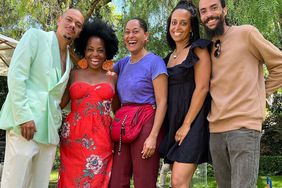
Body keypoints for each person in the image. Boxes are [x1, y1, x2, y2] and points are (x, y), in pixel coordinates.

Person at [198, 0, 282, 187]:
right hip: (216, 131)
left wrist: (260, 92)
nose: (209, 14)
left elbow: (279, 65)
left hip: (244, 128)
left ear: (224, 10)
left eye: (214, 8)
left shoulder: (247, 33)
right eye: (203, 11)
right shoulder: (205, 48)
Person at [0, 9, 84, 188]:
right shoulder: (35, 36)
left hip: (50, 130)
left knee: (39, 184)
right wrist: (24, 116)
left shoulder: (69, 61)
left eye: (78, 25)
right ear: (59, 20)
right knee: (14, 182)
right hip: (25, 125)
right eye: (69, 20)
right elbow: (16, 76)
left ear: (79, 32)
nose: (72, 26)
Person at [57, 18, 118, 188]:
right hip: (72, 139)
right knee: (70, 181)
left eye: (100, 50)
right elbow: (60, 103)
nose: (95, 54)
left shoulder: (112, 77)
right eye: (90, 49)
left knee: (97, 181)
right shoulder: (74, 74)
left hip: (102, 139)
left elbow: (118, 109)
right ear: (84, 50)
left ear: (107, 52)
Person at [109, 18, 168, 188]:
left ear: (146, 36)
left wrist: (153, 137)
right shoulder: (122, 64)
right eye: (127, 32)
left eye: (135, 31)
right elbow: (96, 68)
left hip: (146, 123)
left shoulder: (155, 62)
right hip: (124, 123)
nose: (130, 36)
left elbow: (163, 101)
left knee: (144, 181)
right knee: (117, 181)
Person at [159, 1, 211, 187]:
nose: (177, 27)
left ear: (191, 27)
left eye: (183, 23)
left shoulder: (198, 49)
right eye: (174, 22)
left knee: (178, 180)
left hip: (193, 122)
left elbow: (202, 88)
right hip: (173, 122)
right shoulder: (167, 58)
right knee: (179, 181)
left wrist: (187, 124)